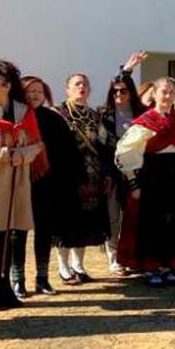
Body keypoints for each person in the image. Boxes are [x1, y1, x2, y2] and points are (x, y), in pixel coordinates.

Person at [114, 77, 175, 287]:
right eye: (163, 92)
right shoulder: (145, 122)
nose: (167, 96)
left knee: (174, 222)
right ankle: (150, 266)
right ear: (154, 94)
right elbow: (127, 152)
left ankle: (168, 264)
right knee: (151, 222)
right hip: (152, 175)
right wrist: (133, 182)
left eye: (171, 92)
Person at [0, 59, 44, 311]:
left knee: (9, 236)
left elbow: (37, 144)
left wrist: (22, 155)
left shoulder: (24, 111)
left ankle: (3, 290)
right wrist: (3, 155)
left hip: (16, 181)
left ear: (6, 85)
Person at [12, 75, 83, 297]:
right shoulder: (14, 118)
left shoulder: (53, 118)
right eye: (29, 91)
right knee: (18, 231)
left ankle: (42, 279)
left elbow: (70, 152)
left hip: (47, 183)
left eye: (39, 91)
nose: (34, 95)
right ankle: (18, 280)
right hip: (19, 182)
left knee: (44, 231)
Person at [54, 73, 112, 286]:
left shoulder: (96, 116)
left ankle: (79, 265)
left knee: (87, 224)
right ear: (67, 89)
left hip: (92, 176)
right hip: (67, 177)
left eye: (85, 84)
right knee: (67, 223)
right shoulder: (59, 114)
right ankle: (63, 266)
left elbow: (104, 146)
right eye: (77, 84)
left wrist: (106, 173)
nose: (82, 88)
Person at [100, 52, 148, 275]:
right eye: (115, 91)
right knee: (113, 217)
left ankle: (133, 255)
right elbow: (102, 148)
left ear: (131, 92)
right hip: (112, 172)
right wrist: (125, 69)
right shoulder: (105, 115)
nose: (118, 94)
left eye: (123, 90)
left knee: (135, 216)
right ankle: (113, 258)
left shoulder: (141, 113)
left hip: (136, 172)